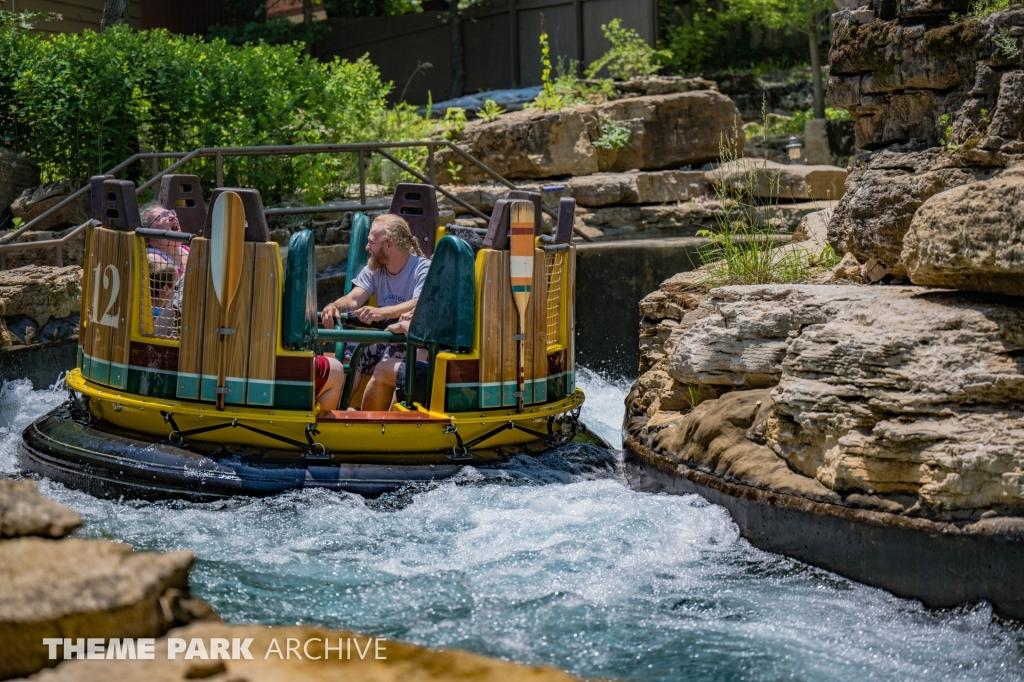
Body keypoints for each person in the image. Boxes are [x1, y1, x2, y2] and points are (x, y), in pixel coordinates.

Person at [316, 214, 430, 411]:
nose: (367, 247)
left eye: (371, 242)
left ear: (389, 245)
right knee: (352, 352)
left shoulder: (422, 268)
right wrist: (334, 306)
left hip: (405, 338)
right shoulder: (374, 268)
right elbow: (353, 298)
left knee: (389, 354)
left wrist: (382, 312)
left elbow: (420, 302)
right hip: (383, 334)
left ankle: (371, 420)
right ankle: (336, 412)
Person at [360, 312, 429, 411]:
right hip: (444, 371)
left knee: (383, 370)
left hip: (447, 375)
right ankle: (387, 422)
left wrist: (402, 326)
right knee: (404, 376)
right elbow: (423, 353)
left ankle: (368, 425)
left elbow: (422, 339)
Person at [140, 203, 189, 275]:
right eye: (163, 216)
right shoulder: (153, 258)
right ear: (150, 234)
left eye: (170, 213)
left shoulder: (186, 250)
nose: (172, 216)